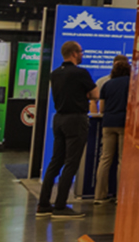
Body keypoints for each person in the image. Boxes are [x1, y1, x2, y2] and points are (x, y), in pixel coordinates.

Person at [36, 41, 98, 219]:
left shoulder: (55, 74)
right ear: (73, 53)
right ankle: (61, 206)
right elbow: (95, 94)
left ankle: (44, 204)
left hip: (59, 119)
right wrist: (84, 95)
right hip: (76, 120)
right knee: (71, 163)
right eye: (81, 51)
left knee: (56, 161)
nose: (82, 54)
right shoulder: (81, 73)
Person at [94, 56, 131, 204]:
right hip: (124, 123)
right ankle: (119, 195)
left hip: (108, 123)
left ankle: (99, 195)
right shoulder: (131, 83)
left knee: (105, 159)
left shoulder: (107, 85)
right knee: (122, 159)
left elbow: (101, 108)